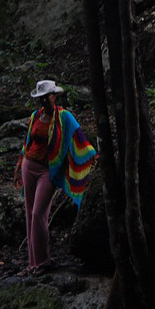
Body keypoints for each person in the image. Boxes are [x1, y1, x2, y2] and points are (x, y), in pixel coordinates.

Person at [12, 79, 97, 277]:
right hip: (29, 166)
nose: (43, 101)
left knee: (38, 214)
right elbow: (27, 143)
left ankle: (42, 261)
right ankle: (32, 263)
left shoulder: (64, 117)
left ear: (54, 96)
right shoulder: (35, 116)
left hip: (47, 171)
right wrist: (18, 167)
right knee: (29, 213)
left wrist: (93, 158)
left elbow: (79, 139)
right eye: (40, 98)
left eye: (46, 97)